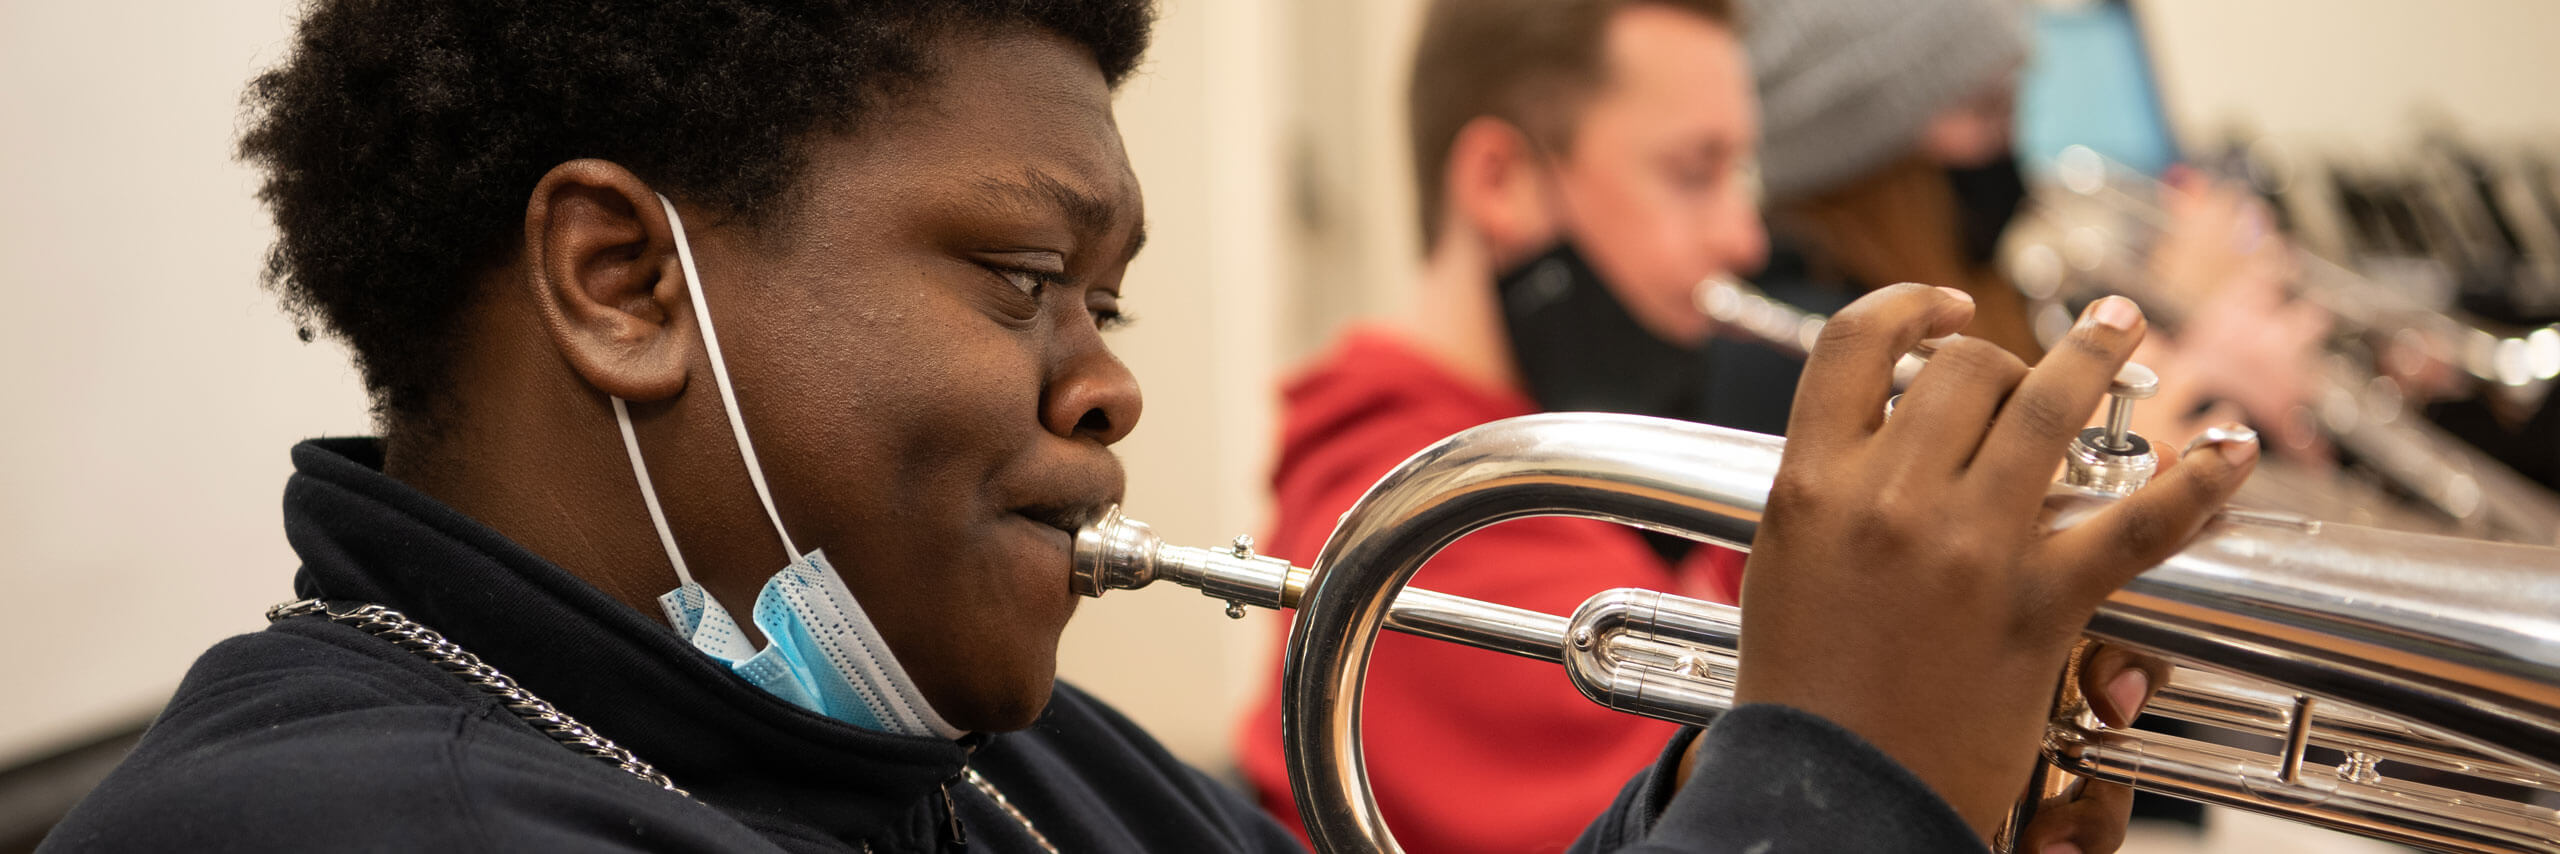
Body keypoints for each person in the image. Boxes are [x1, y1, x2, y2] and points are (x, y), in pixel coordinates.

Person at [42, 1, 2255, 851]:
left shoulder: (974, 756)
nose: (1107, 378)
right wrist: (1825, 790)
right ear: (627, 283)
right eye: (1021, 278)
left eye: (1109, 300)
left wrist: (1891, 768)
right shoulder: (324, 831)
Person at [1234, 1, 2223, 851]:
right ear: (1502, 181)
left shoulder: (1583, 469)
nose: (1744, 236)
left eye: (1738, 174)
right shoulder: (1434, 525)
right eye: (1693, 170)